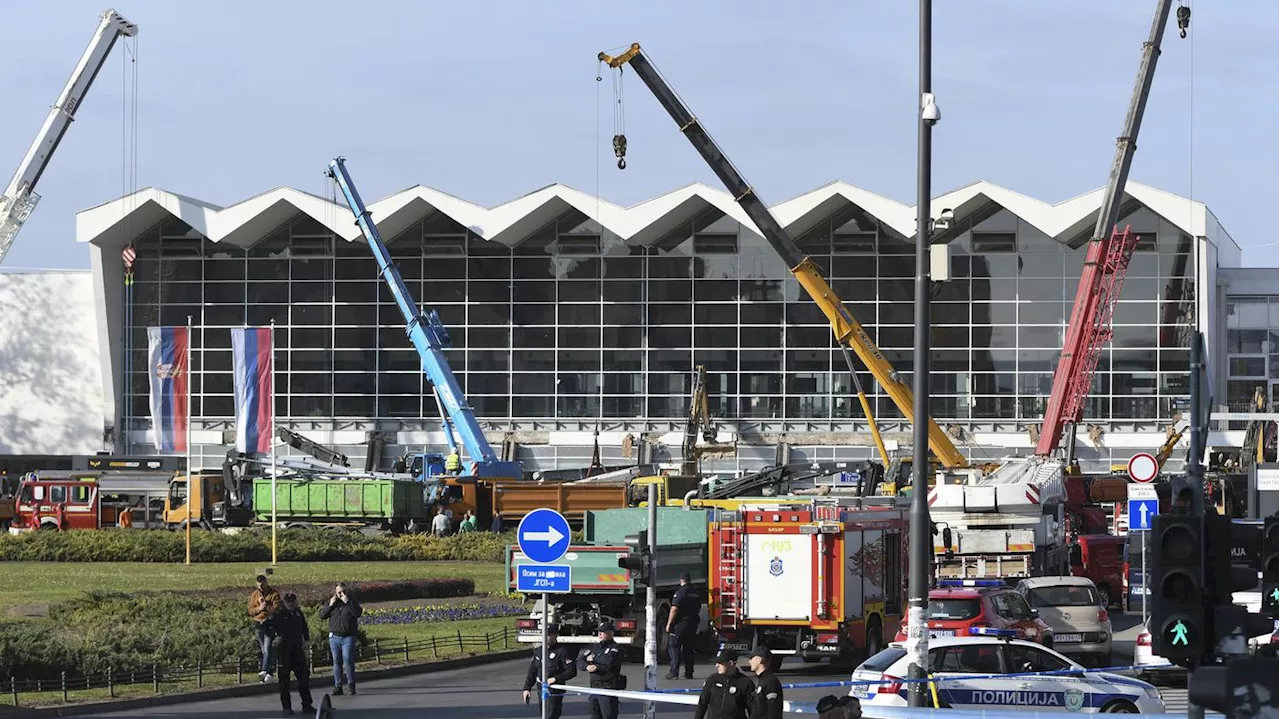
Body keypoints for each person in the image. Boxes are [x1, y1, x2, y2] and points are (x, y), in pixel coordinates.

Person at [269, 592, 315, 716]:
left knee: (303, 678)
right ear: (284, 602)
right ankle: (286, 707)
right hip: (284, 651)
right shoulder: (278, 614)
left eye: (292, 601)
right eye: (288, 601)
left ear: (295, 602)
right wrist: (275, 638)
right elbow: (269, 627)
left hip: (297, 649)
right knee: (284, 681)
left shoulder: (298, 613)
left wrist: (306, 640)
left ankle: (307, 704)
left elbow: (304, 627)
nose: (290, 604)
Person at [520, 623, 577, 719]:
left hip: (554, 689)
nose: (546, 637)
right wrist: (527, 688)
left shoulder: (562, 651)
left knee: (551, 715)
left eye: (549, 635)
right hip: (541, 688)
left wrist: (555, 678)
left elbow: (571, 671)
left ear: (555, 635)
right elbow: (532, 671)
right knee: (544, 714)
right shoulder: (539, 651)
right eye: (544, 635)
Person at [319, 582, 362, 695]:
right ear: (335, 592)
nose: (341, 594)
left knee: (347, 659)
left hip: (348, 637)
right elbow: (322, 615)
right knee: (336, 661)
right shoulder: (332, 602)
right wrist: (330, 606)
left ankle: (351, 684)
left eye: (344, 591)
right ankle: (338, 686)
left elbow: (357, 613)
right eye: (339, 592)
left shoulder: (351, 601)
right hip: (335, 637)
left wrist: (348, 602)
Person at [577, 620, 624, 719]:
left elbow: (609, 663)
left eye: (603, 631)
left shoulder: (616, 648)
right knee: (594, 715)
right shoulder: (595, 647)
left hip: (608, 688)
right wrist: (587, 666)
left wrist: (593, 659)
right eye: (599, 631)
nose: (600, 634)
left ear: (611, 633)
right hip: (594, 688)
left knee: (608, 715)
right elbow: (580, 660)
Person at [693, 649, 754, 719]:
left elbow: (753, 710)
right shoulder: (712, 680)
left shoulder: (745, 682)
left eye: (720, 663)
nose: (716, 665)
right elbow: (702, 704)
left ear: (731, 663)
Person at [665, 572, 701, 680]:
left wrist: (669, 623)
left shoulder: (681, 592)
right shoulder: (696, 592)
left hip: (681, 623)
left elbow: (674, 608)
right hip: (693, 623)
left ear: (681, 580)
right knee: (689, 648)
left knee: (674, 646)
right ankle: (689, 672)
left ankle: (674, 672)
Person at [249, 574, 282, 682]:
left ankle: (264, 670)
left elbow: (276, 609)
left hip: (269, 624)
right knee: (264, 649)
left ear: (266, 582)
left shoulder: (274, 594)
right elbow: (250, 611)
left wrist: (266, 606)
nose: (261, 588)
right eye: (259, 586)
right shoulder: (254, 594)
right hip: (258, 624)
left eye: (263, 585)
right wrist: (259, 608)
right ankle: (269, 673)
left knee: (267, 647)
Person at [747, 646, 784, 719]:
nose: (749, 661)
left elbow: (773, 711)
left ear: (759, 660)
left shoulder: (771, 682)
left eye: (752, 658)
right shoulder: (762, 680)